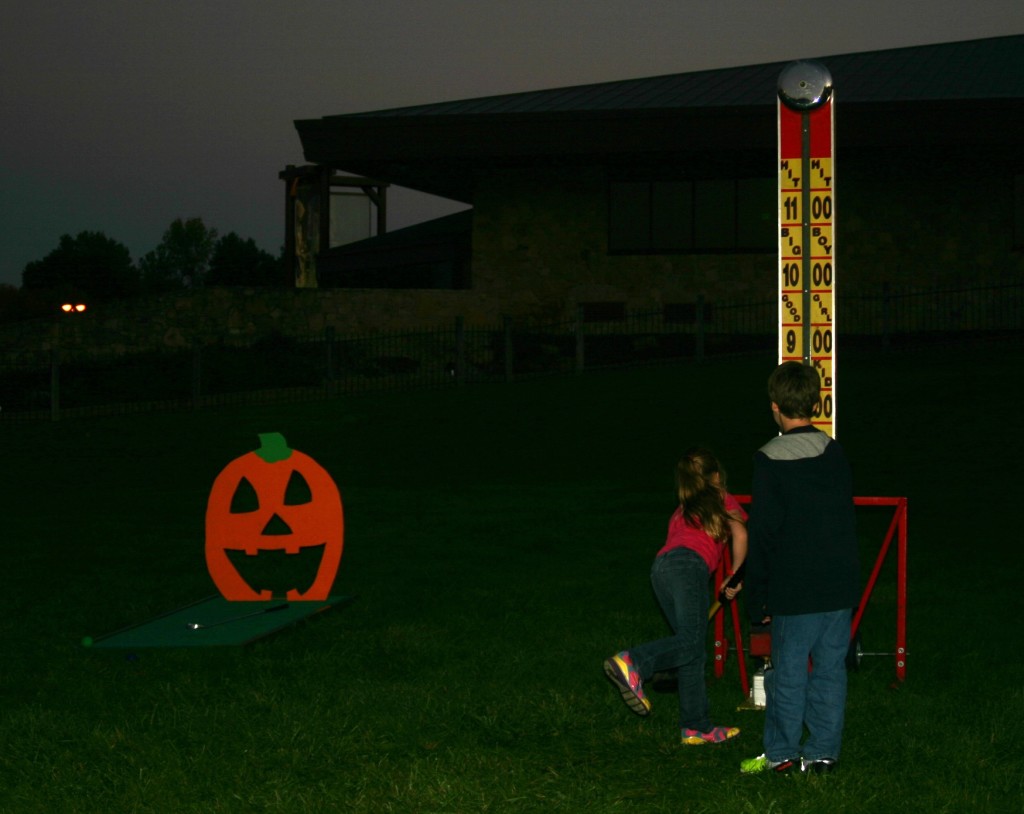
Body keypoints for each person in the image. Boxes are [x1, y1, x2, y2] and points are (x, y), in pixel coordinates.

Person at [739, 362, 860, 775]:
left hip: (795, 589)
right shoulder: (833, 451)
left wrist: (759, 598)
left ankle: (781, 755)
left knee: (787, 674)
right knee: (829, 671)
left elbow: (765, 535)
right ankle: (824, 753)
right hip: (838, 584)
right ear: (815, 402)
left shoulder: (769, 459)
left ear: (775, 408)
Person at [604, 447, 748, 745]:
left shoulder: (681, 510)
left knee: (691, 648)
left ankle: (696, 727)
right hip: (688, 567)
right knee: (691, 642)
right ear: (716, 477)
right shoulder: (721, 498)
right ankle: (634, 662)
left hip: (662, 570)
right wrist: (735, 573)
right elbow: (741, 533)